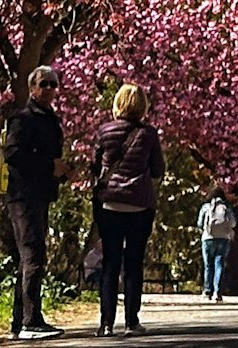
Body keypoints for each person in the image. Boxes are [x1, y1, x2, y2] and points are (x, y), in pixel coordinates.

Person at [92, 82, 166, 339]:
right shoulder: (149, 134)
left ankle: (106, 323)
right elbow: (158, 169)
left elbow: (95, 165)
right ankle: (131, 321)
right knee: (134, 263)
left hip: (110, 203)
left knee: (111, 263)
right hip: (139, 204)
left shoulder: (104, 131)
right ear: (142, 107)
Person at [1, 66, 66, 341]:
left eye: (53, 84)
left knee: (31, 257)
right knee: (32, 255)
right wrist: (49, 166)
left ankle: (20, 321)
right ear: (32, 87)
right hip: (23, 196)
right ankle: (31, 320)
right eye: (44, 84)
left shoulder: (50, 119)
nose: (50, 89)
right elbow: (12, 154)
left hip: (41, 195)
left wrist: (60, 172)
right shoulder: (23, 119)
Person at [197, 188, 236, 303]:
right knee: (219, 265)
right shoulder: (226, 208)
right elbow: (233, 223)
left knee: (208, 265)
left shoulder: (206, 207)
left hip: (208, 238)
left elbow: (199, 223)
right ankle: (217, 292)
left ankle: (207, 291)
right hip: (223, 239)